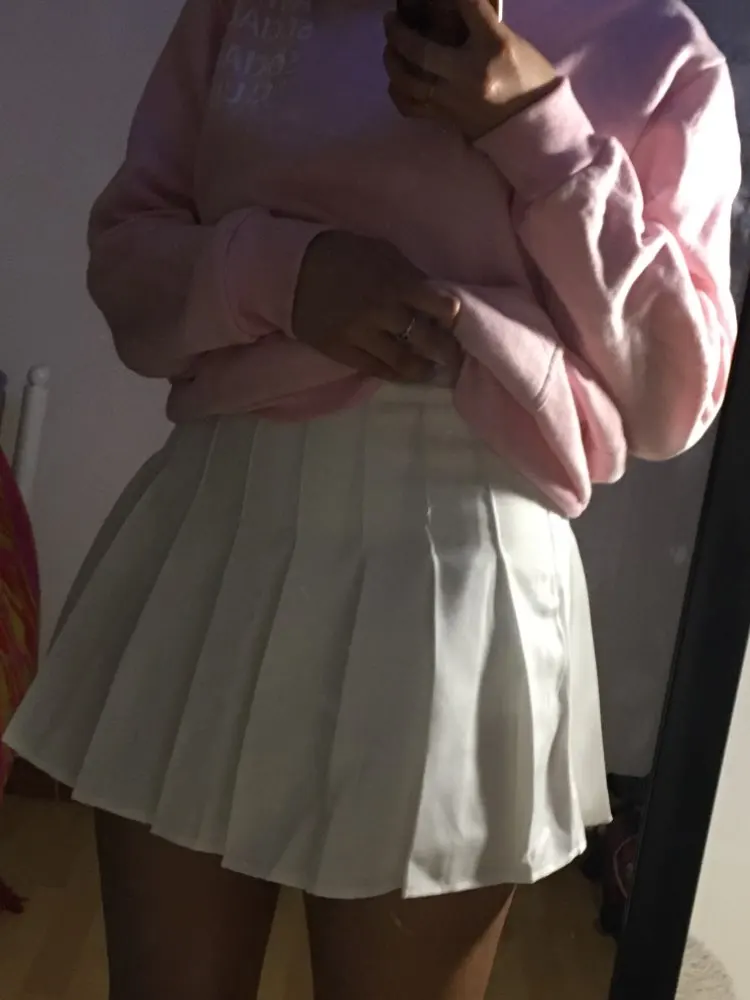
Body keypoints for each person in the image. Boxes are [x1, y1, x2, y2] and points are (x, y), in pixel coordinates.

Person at [3, 0, 741, 996]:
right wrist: (288, 274)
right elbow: (129, 262)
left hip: (466, 575)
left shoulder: (660, 50)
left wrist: (537, 128)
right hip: (221, 527)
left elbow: (671, 397)